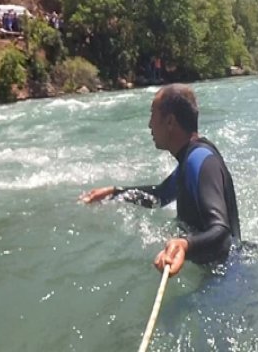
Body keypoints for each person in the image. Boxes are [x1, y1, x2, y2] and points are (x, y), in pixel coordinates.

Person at [79, 84, 240, 277]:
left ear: (170, 121)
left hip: (229, 277)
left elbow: (222, 233)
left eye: (152, 115)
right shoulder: (190, 159)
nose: (149, 125)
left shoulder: (199, 160)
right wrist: (115, 192)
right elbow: (160, 196)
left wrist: (185, 245)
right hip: (219, 272)